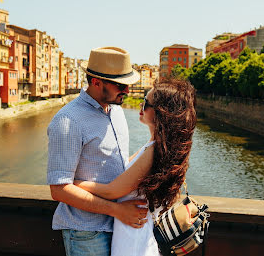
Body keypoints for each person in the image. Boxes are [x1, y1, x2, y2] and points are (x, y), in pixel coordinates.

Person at [74, 78, 197, 256]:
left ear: (161, 113)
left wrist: (73, 183)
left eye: (147, 102)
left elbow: (111, 191)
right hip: (137, 232)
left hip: (134, 240)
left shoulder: (154, 151)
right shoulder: (158, 146)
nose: (141, 104)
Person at [47, 47, 149, 256]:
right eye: (121, 85)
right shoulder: (68, 121)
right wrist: (118, 210)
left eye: (128, 85)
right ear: (96, 82)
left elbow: (115, 163)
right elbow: (59, 189)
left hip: (120, 227)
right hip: (87, 232)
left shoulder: (117, 111)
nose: (127, 91)